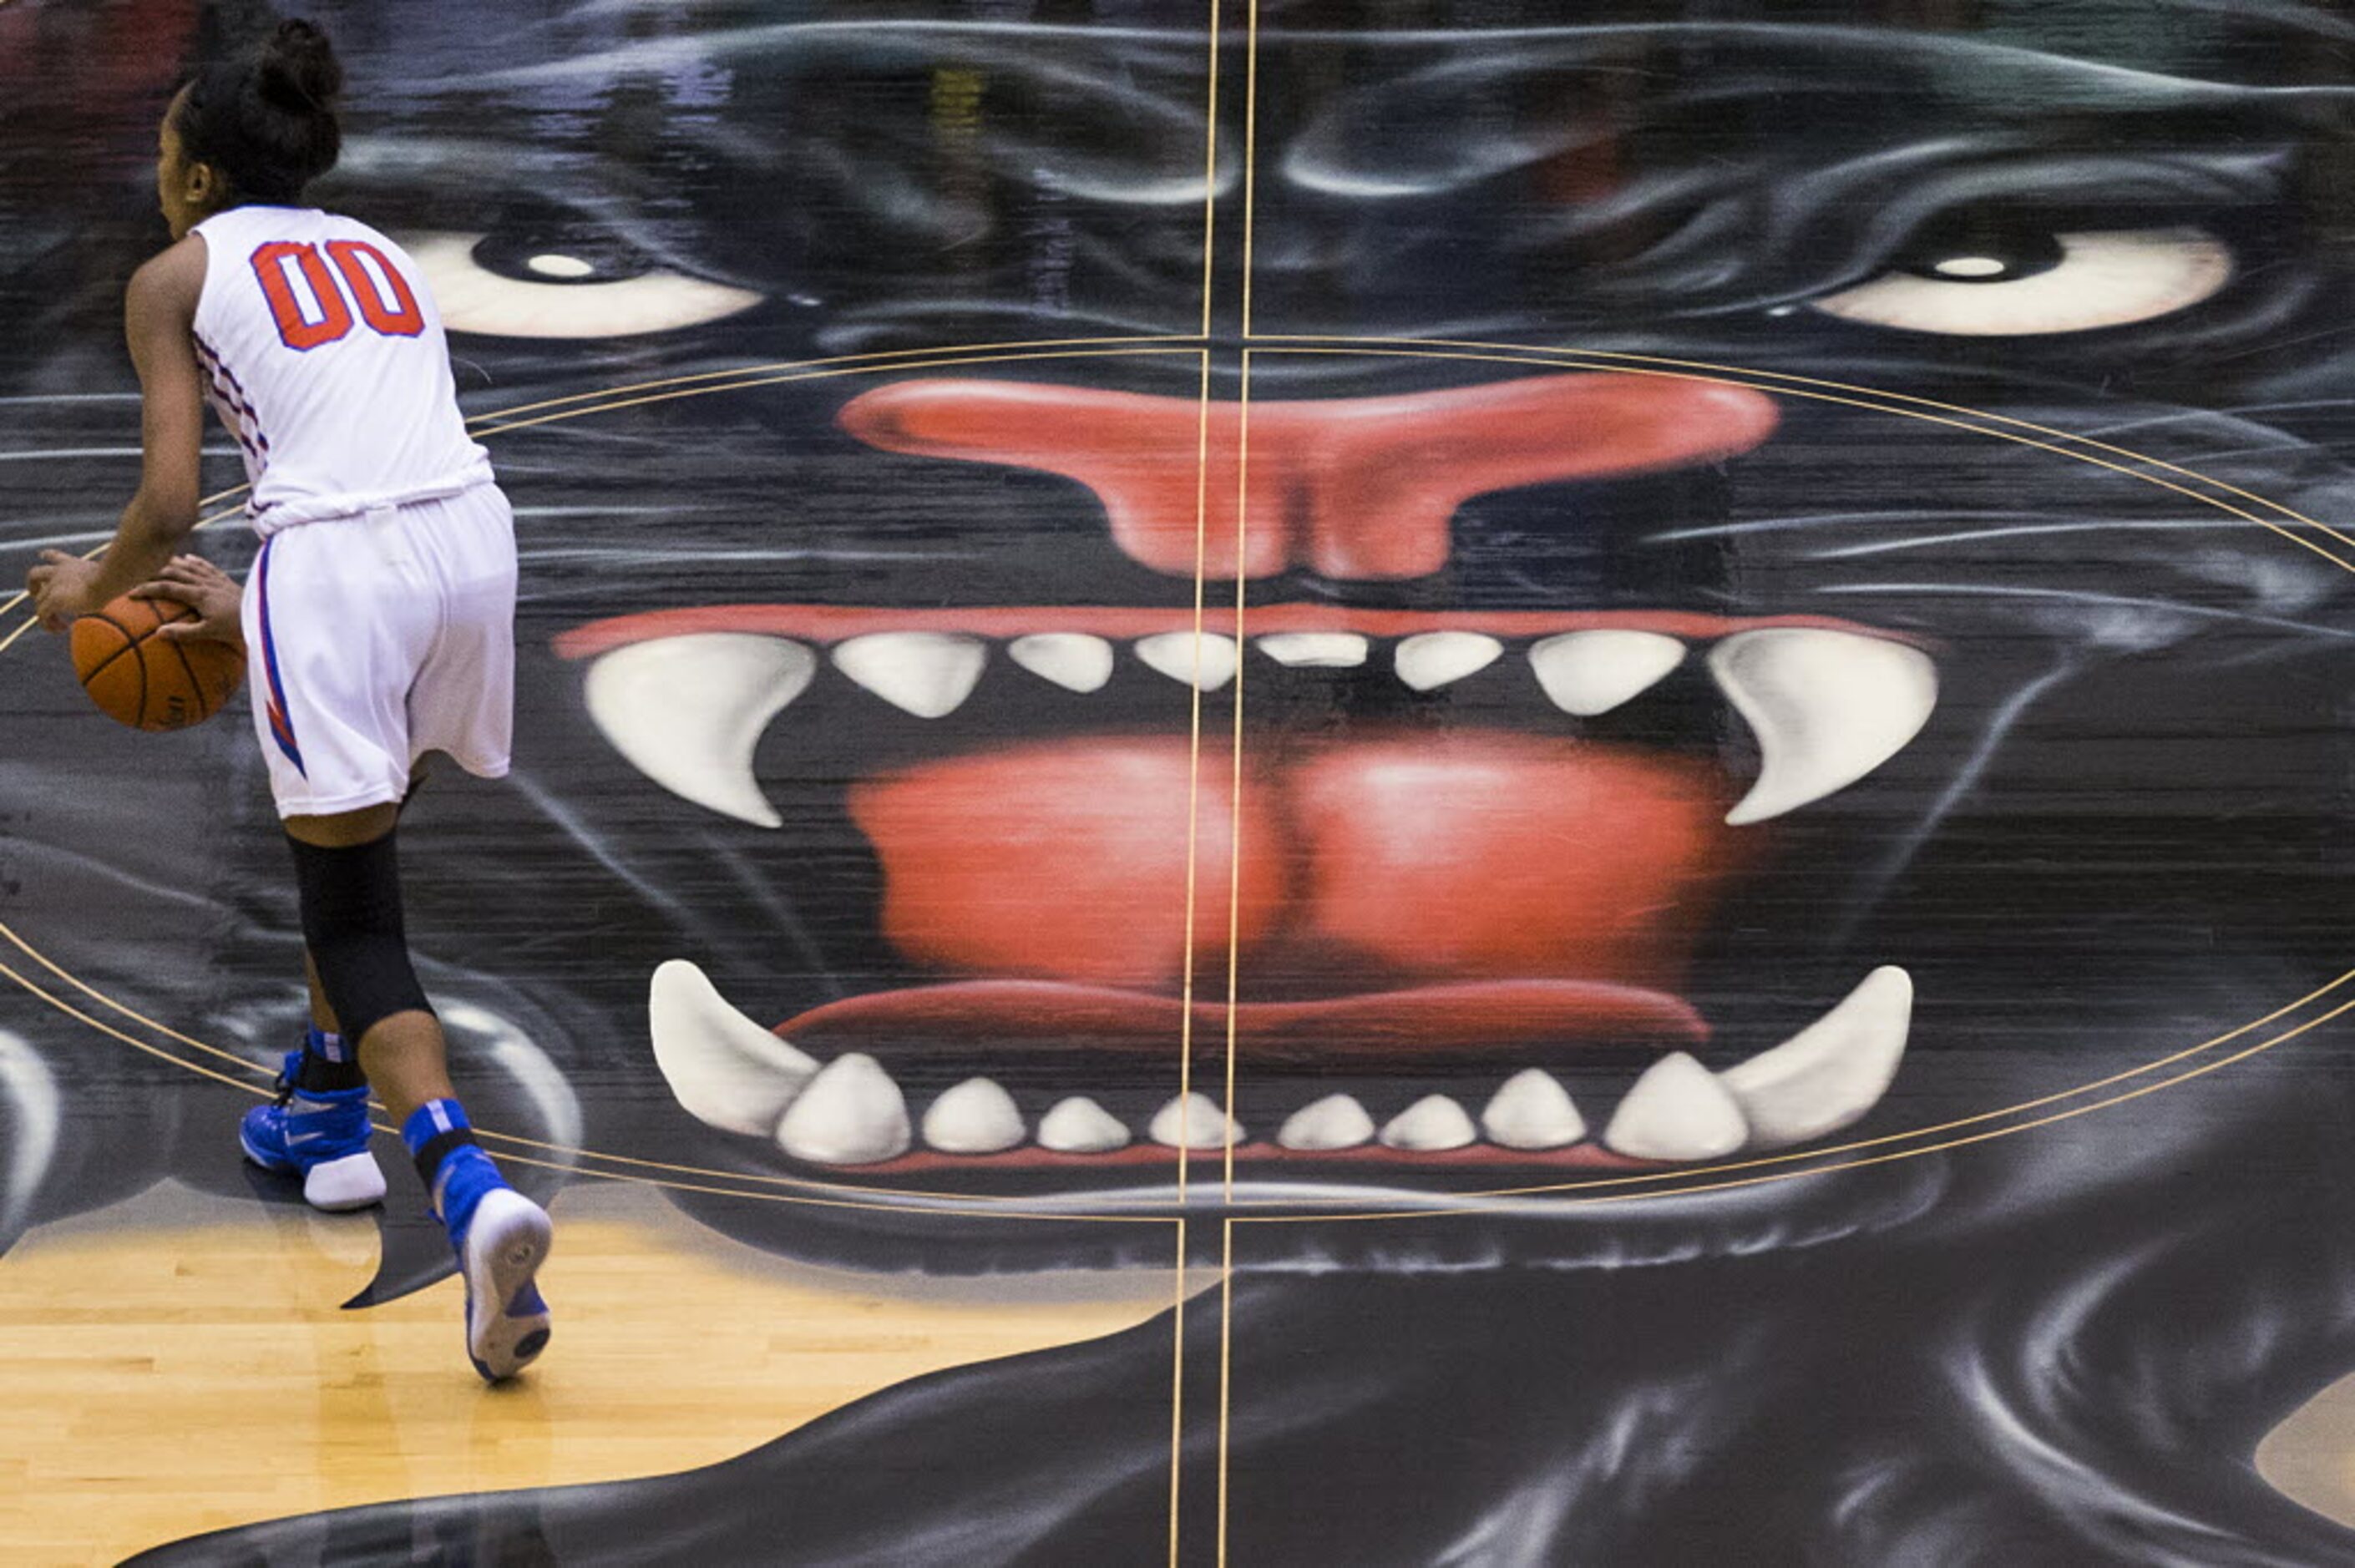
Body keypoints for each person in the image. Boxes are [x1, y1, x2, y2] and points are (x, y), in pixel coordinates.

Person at [23, 17, 552, 1383]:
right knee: (366, 826)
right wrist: (258, 621)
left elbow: (171, 502)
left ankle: (463, 1179)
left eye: (159, 152)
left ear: (195, 177)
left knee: (357, 920)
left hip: (341, 565)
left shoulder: (173, 274)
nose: (154, 172)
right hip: (472, 543)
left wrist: (92, 589)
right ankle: (323, 1107)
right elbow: (360, 442)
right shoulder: (379, 251)